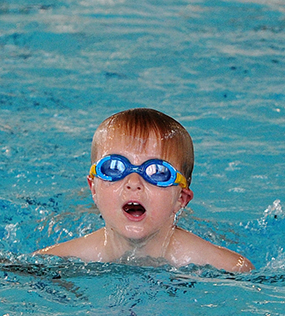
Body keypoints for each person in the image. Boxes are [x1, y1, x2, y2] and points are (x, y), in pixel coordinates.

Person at [36, 108, 253, 273]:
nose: (133, 182)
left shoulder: (225, 267)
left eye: (157, 172)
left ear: (181, 198)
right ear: (94, 188)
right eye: (114, 168)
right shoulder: (57, 261)